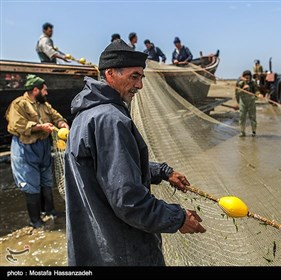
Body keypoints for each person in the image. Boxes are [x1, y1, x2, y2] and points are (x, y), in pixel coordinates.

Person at [64, 40, 206, 266]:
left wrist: (162, 172)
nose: (140, 85)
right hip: (122, 250)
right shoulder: (110, 120)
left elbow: (109, 169)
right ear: (110, 74)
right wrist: (177, 218)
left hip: (94, 246)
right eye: (134, 76)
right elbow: (128, 199)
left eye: (141, 77)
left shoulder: (86, 115)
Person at [6, 74, 69, 228]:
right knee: (30, 183)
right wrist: (40, 127)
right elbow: (17, 125)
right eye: (44, 90)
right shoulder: (18, 104)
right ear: (36, 90)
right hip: (25, 147)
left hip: (43, 146)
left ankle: (50, 211)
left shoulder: (44, 104)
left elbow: (56, 116)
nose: (46, 93)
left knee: (46, 179)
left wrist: (62, 124)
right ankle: (35, 221)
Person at [235, 70, 259, 137]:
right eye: (246, 77)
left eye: (248, 77)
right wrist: (243, 89)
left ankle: (254, 132)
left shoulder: (253, 83)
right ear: (243, 77)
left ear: (250, 77)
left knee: (253, 117)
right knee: (242, 118)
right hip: (243, 103)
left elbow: (256, 91)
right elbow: (237, 92)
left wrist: (258, 94)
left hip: (251, 103)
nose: (247, 78)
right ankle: (242, 132)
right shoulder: (240, 83)